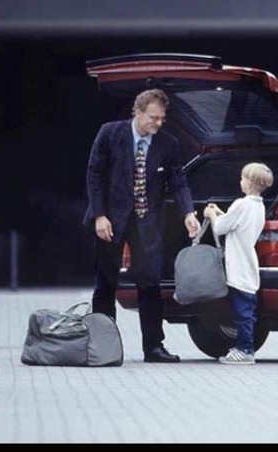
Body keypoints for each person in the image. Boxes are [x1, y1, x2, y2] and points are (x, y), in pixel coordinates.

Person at [84, 88, 201, 363]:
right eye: (153, 118)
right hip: (111, 219)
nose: (158, 124)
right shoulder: (110, 134)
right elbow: (94, 174)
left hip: (146, 222)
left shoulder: (168, 144)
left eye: (162, 118)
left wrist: (187, 213)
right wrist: (99, 215)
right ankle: (103, 348)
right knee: (105, 285)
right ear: (136, 112)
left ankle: (154, 348)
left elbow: (178, 181)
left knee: (150, 284)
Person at [203, 162, 274, 365]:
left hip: (239, 266)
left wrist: (211, 215)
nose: (240, 181)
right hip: (248, 264)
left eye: (243, 178)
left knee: (241, 312)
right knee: (248, 310)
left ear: (250, 183)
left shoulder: (240, 204)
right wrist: (220, 211)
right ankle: (244, 347)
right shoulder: (258, 206)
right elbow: (236, 224)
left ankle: (245, 349)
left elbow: (221, 229)